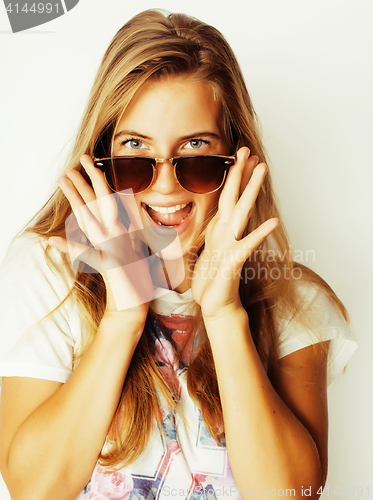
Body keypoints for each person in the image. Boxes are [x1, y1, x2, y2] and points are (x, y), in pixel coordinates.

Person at [0, 9, 357, 500]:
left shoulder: (291, 296)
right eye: (134, 153)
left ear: (238, 161)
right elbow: (35, 490)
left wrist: (225, 312)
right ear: (102, 161)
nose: (166, 185)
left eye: (196, 151)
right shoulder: (50, 269)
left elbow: (291, 495)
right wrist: (124, 314)